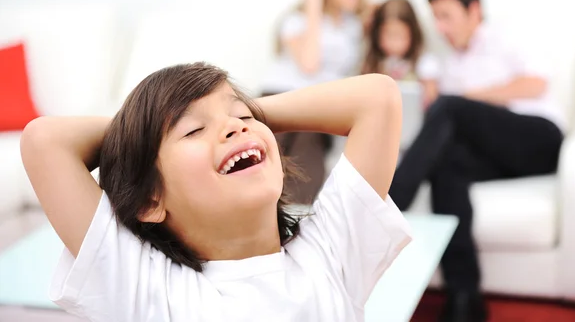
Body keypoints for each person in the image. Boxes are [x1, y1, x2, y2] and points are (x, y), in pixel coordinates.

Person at [20, 63, 411, 322]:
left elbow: (377, 98)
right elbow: (45, 141)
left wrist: (251, 113)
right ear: (150, 201)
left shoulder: (328, 254)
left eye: (242, 117)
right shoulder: (148, 289)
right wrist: (138, 136)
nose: (235, 127)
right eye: (192, 131)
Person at [387, 0, 564, 322]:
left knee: (451, 107)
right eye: (434, 18)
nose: (440, 27)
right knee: (446, 165)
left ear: (474, 11)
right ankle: (464, 296)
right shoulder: (450, 64)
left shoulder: (506, 37)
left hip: (539, 139)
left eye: (446, 16)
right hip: (497, 156)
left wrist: (464, 100)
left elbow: (536, 83)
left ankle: (390, 203)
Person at [261, 0, 366, 204]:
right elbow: (309, 64)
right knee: (272, 150)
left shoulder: (353, 26)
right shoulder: (297, 20)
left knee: (308, 145)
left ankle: (290, 222)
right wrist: (314, 5)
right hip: (280, 95)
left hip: (318, 106)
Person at [362, 0, 438, 107]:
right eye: (389, 35)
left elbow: (432, 102)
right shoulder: (375, 63)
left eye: (400, 36)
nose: (394, 44)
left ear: (413, 34)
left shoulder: (425, 64)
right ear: (377, 34)